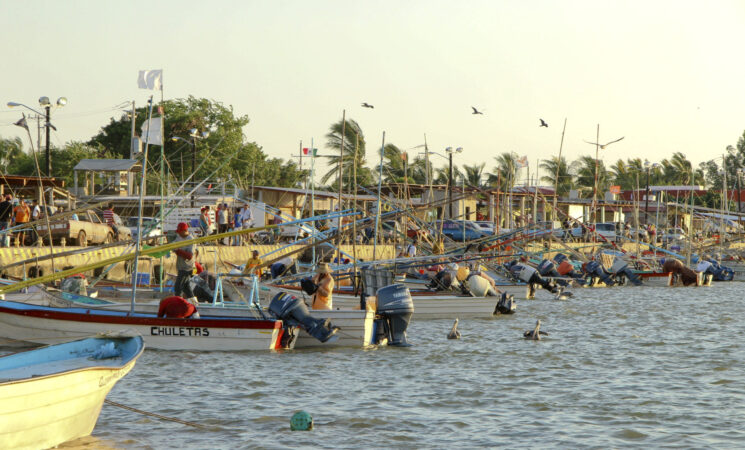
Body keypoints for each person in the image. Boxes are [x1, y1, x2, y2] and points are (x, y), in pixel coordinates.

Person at [172, 222, 197, 299]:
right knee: (186, 288)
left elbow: (189, 256)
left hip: (187, 268)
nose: (179, 234)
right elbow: (173, 244)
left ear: (185, 231)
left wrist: (178, 251)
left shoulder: (191, 240)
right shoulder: (179, 237)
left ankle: (178, 302)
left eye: (180, 232)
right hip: (181, 267)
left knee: (178, 287)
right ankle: (193, 303)